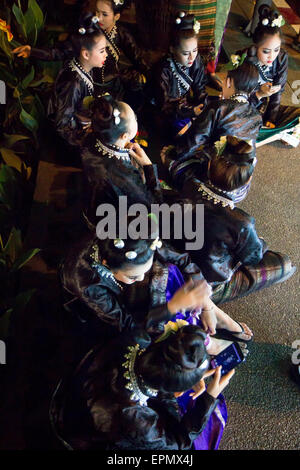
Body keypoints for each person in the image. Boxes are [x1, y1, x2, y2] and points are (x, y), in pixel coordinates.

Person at [61, 215, 253, 349]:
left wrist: (206, 306)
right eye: (134, 277)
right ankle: (207, 342)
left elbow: (182, 259)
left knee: (170, 272)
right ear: (106, 264)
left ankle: (215, 315)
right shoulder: (88, 283)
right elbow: (128, 325)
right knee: (153, 325)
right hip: (115, 311)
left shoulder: (138, 238)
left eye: (145, 270)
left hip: (128, 285)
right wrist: (173, 306)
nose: (142, 279)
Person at [50, 325, 234, 450]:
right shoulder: (137, 421)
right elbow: (177, 443)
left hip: (76, 389)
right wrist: (209, 397)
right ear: (173, 388)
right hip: (83, 431)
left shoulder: (136, 338)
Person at [162, 137, 296, 305]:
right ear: (247, 181)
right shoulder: (241, 223)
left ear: (209, 167)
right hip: (203, 281)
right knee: (284, 264)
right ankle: (207, 299)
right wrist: (259, 242)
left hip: (173, 263)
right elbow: (252, 258)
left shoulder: (190, 185)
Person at [12, 0, 148, 106]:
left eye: (105, 14)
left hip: (112, 87)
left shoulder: (121, 34)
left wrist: (145, 75)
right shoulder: (87, 33)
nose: (98, 18)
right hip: (84, 85)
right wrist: (33, 51)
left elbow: (138, 58)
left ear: (116, 16)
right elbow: (61, 51)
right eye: (96, 12)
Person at [80, 94, 163, 229]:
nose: (137, 120)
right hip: (109, 225)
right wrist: (148, 166)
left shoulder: (91, 137)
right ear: (125, 136)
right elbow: (154, 206)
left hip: (90, 204)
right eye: (135, 119)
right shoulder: (125, 176)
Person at [168, 61, 262, 163]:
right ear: (252, 89)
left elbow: (196, 140)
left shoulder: (218, 107)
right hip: (242, 170)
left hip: (215, 166)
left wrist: (172, 154)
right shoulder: (258, 117)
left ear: (229, 82)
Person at [47, 13, 107, 147]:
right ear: (86, 54)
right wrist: (86, 143)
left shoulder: (85, 68)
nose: (106, 55)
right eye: (102, 51)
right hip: (68, 141)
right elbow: (62, 125)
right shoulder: (72, 83)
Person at [239, 4, 300, 129]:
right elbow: (239, 98)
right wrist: (260, 94)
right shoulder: (245, 57)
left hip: (266, 104)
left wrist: (271, 118)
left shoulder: (281, 57)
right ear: (256, 47)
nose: (272, 56)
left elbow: (278, 90)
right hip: (247, 103)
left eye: (276, 49)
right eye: (266, 51)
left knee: (295, 118)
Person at [147, 12, 208, 137]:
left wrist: (203, 106)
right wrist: (191, 112)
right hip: (166, 112)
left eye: (195, 50)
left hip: (186, 106)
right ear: (172, 49)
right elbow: (164, 105)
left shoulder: (196, 60)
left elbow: (200, 87)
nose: (191, 57)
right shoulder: (163, 69)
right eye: (185, 53)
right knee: (186, 135)